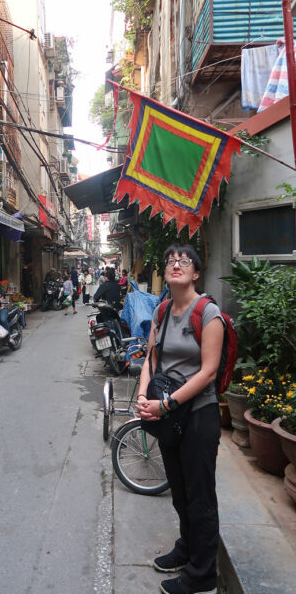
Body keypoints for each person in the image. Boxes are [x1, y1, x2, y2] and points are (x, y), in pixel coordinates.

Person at [136, 244, 224, 594]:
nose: (176, 264)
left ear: (196, 273)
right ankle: (187, 549)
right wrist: (143, 396)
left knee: (200, 495)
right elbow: (149, 360)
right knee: (179, 491)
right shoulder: (161, 312)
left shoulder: (208, 313)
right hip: (168, 412)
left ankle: (202, 575)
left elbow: (208, 372)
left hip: (198, 414)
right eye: (171, 259)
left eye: (184, 260)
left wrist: (166, 404)